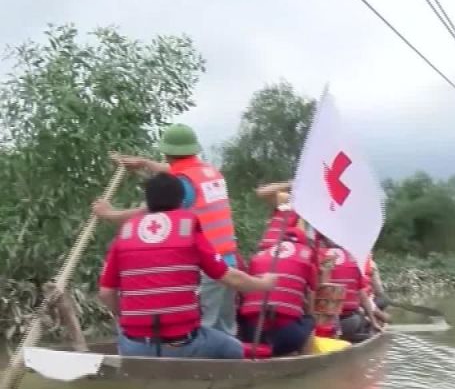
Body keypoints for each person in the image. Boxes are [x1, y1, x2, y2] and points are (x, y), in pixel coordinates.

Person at [98, 173, 276, 359]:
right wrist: (264, 284)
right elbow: (230, 278)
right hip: (182, 344)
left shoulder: (125, 235)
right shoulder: (187, 228)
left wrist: (125, 316)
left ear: (147, 202)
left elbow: (105, 293)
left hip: (135, 347)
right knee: (233, 348)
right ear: (182, 200)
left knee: (124, 335)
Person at [93, 124, 240, 336]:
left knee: (205, 329)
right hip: (228, 262)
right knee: (225, 328)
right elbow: (172, 169)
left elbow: (147, 213)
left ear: (166, 152)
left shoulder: (182, 183)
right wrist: (144, 163)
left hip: (207, 265)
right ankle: (231, 366)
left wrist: (108, 213)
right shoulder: (209, 171)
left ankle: (204, 368)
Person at [237, 226, 317, 356]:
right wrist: (309, 315)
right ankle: (305, 365)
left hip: (251, 333)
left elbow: (244, 295)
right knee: (310, 320)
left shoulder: (259, 256)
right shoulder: (306, 258)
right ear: (303, 243)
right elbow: (312, 296)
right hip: (287, 336)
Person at [323, 242, 389, 342]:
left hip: (322, 323)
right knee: (365, 320)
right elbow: (365, 296)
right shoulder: (356, 260)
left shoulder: (319, 256)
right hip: (347, 321)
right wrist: (373, 322)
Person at [253, 181, 300, 250]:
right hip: (270, 250)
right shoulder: (287, 201)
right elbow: (262, 192)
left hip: (289, 253)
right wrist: (292, 184)